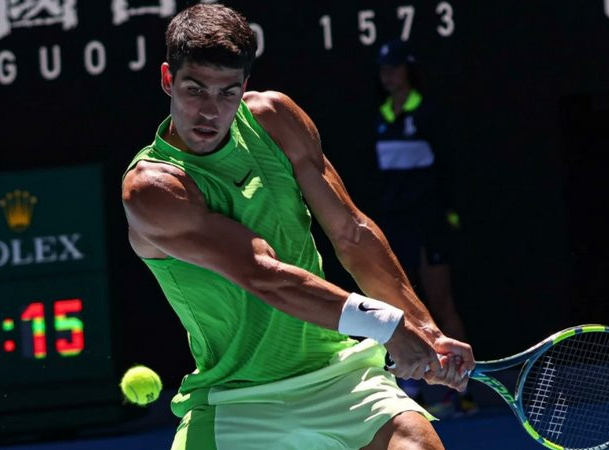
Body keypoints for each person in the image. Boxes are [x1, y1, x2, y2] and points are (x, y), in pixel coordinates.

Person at [121, 4, 474, 449]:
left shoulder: (276, 119)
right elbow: (263, 276)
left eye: (227, 93)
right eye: (195, 90)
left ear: (244, 86)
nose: (210, 111)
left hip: (341, 378)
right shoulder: (153, 188)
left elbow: (352, 233)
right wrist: (387, 325)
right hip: (237, 400)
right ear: (168, 80)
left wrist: (425, 329)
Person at [372, 39, 474, 416]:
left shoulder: (428, 112)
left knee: (441, 302)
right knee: (398, 305)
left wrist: (448, 214)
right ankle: (409, 386)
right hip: (397, 223)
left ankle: (461, 391)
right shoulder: (381, 114)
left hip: (429, 220)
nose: (389, 76)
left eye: (395, 68)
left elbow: (447, 167)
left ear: (408, 71)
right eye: (384, 70)